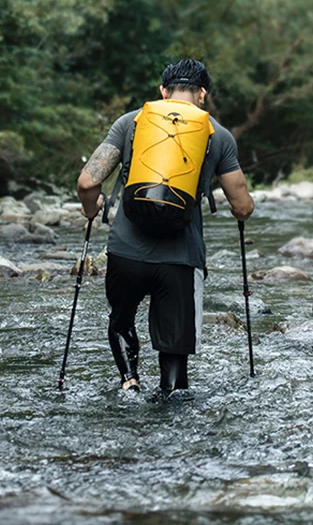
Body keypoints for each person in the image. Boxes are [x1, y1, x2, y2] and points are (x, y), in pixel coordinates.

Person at [77, 59, 254, 396]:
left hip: (127, 253)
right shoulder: (219, 135)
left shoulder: (130, 123)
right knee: (175, 349)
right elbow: (242, 207)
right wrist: (243, 212)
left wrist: (91, 210)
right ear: (202, 94)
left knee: (122, 319)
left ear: (162, 91)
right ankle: (170, 398)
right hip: (181, 259)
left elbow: (87, 182)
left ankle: (129, 382)